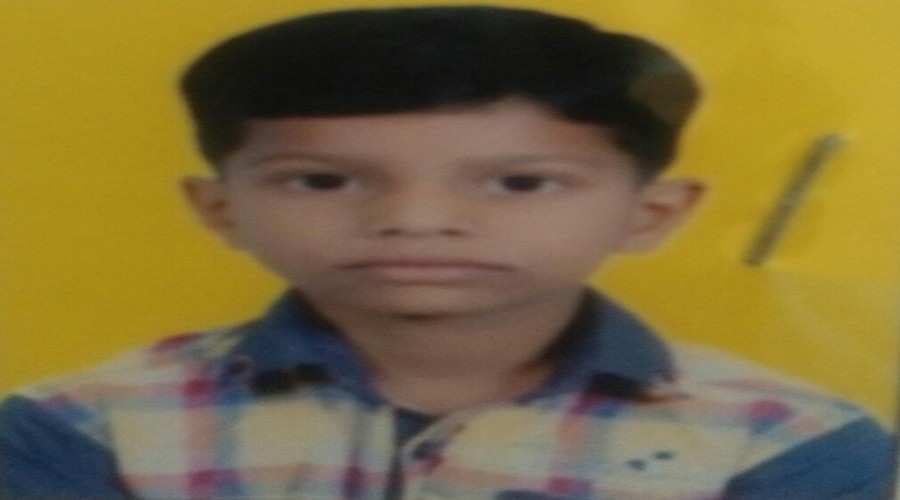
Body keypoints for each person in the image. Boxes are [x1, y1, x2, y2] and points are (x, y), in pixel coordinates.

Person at [0, 6, 892, 499]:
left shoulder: (787, 441)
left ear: (651, 213)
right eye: (322, 180)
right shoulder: (80, 428)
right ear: (219, 207)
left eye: (520, 182)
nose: (416, 220)